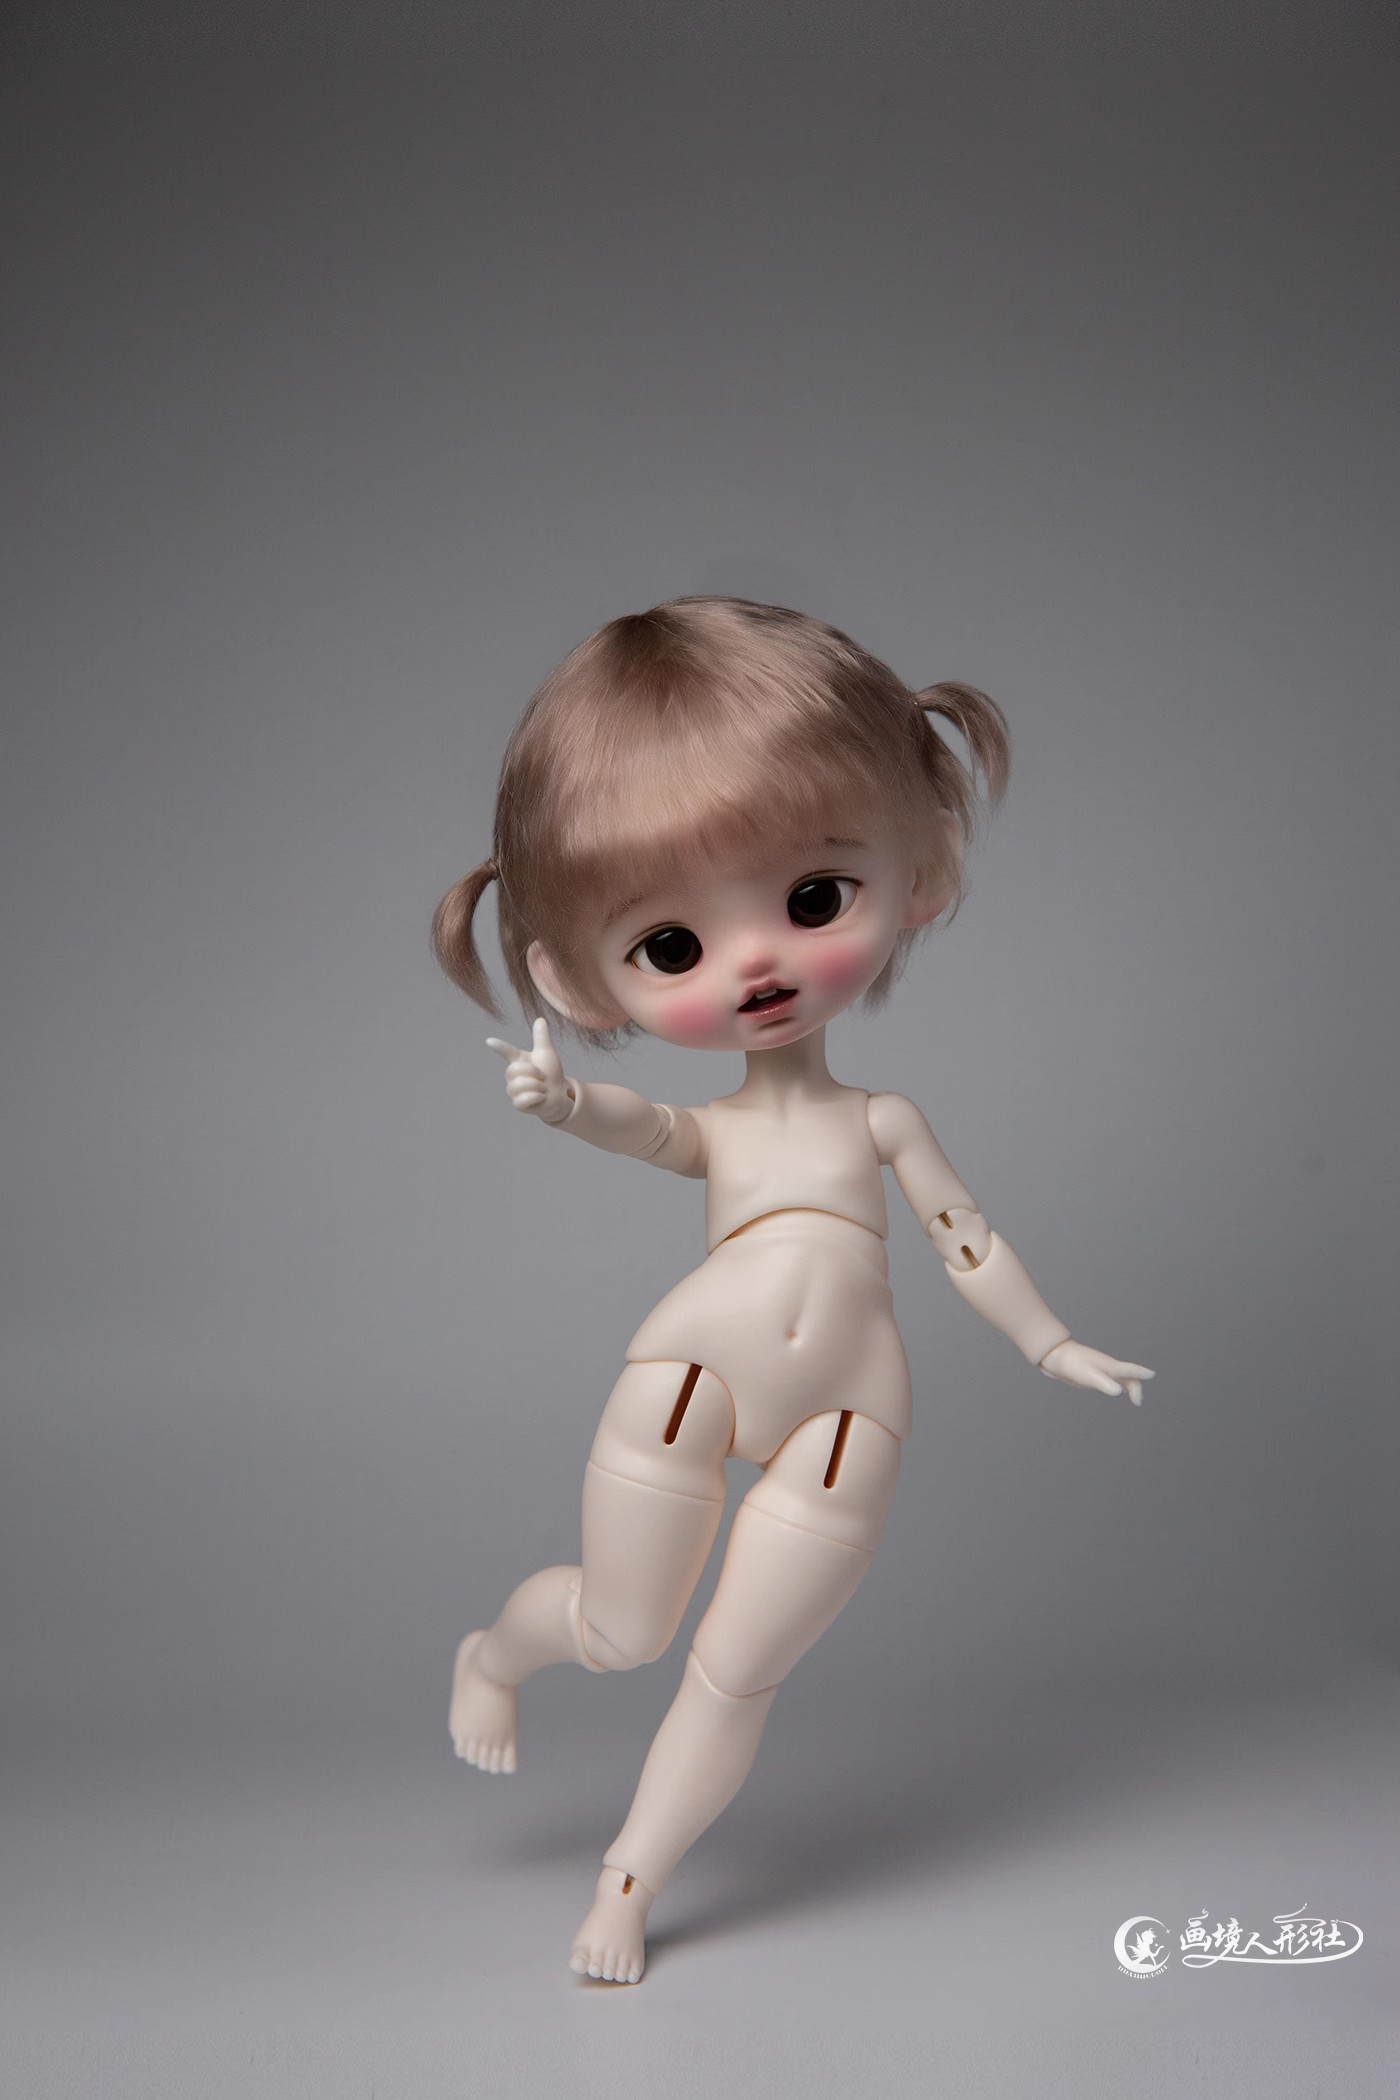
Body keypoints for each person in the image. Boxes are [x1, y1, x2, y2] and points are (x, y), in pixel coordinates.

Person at [433, 596, 1152, 1983]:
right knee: (622, 1633)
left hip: (848, 1416)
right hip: (691, 1375)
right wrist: (569, 1105)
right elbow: (658, 1131)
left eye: (813, 898)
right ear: (576, 978)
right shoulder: (725, 1125)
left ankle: (627, 1886)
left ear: (920, 868)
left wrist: (1049, 1341)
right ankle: (495, 1656)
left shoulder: (880, 1119)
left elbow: (965, 1240)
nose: (756, 961)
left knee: (737, 1669)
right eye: (670, 944)